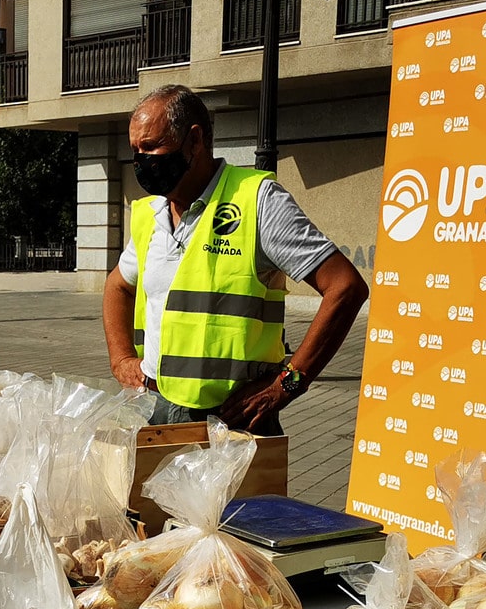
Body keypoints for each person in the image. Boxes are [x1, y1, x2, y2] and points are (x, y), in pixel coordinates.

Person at [103, 84, 368, 435]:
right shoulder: (150, 214)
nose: (141, 161)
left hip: (235, 420)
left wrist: (286, 385)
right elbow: (118, 286)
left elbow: (345, 287)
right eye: (135, 150)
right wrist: (121, 359)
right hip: (159, 407)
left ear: (194, 141)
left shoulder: (257, 201)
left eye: (151, 147)